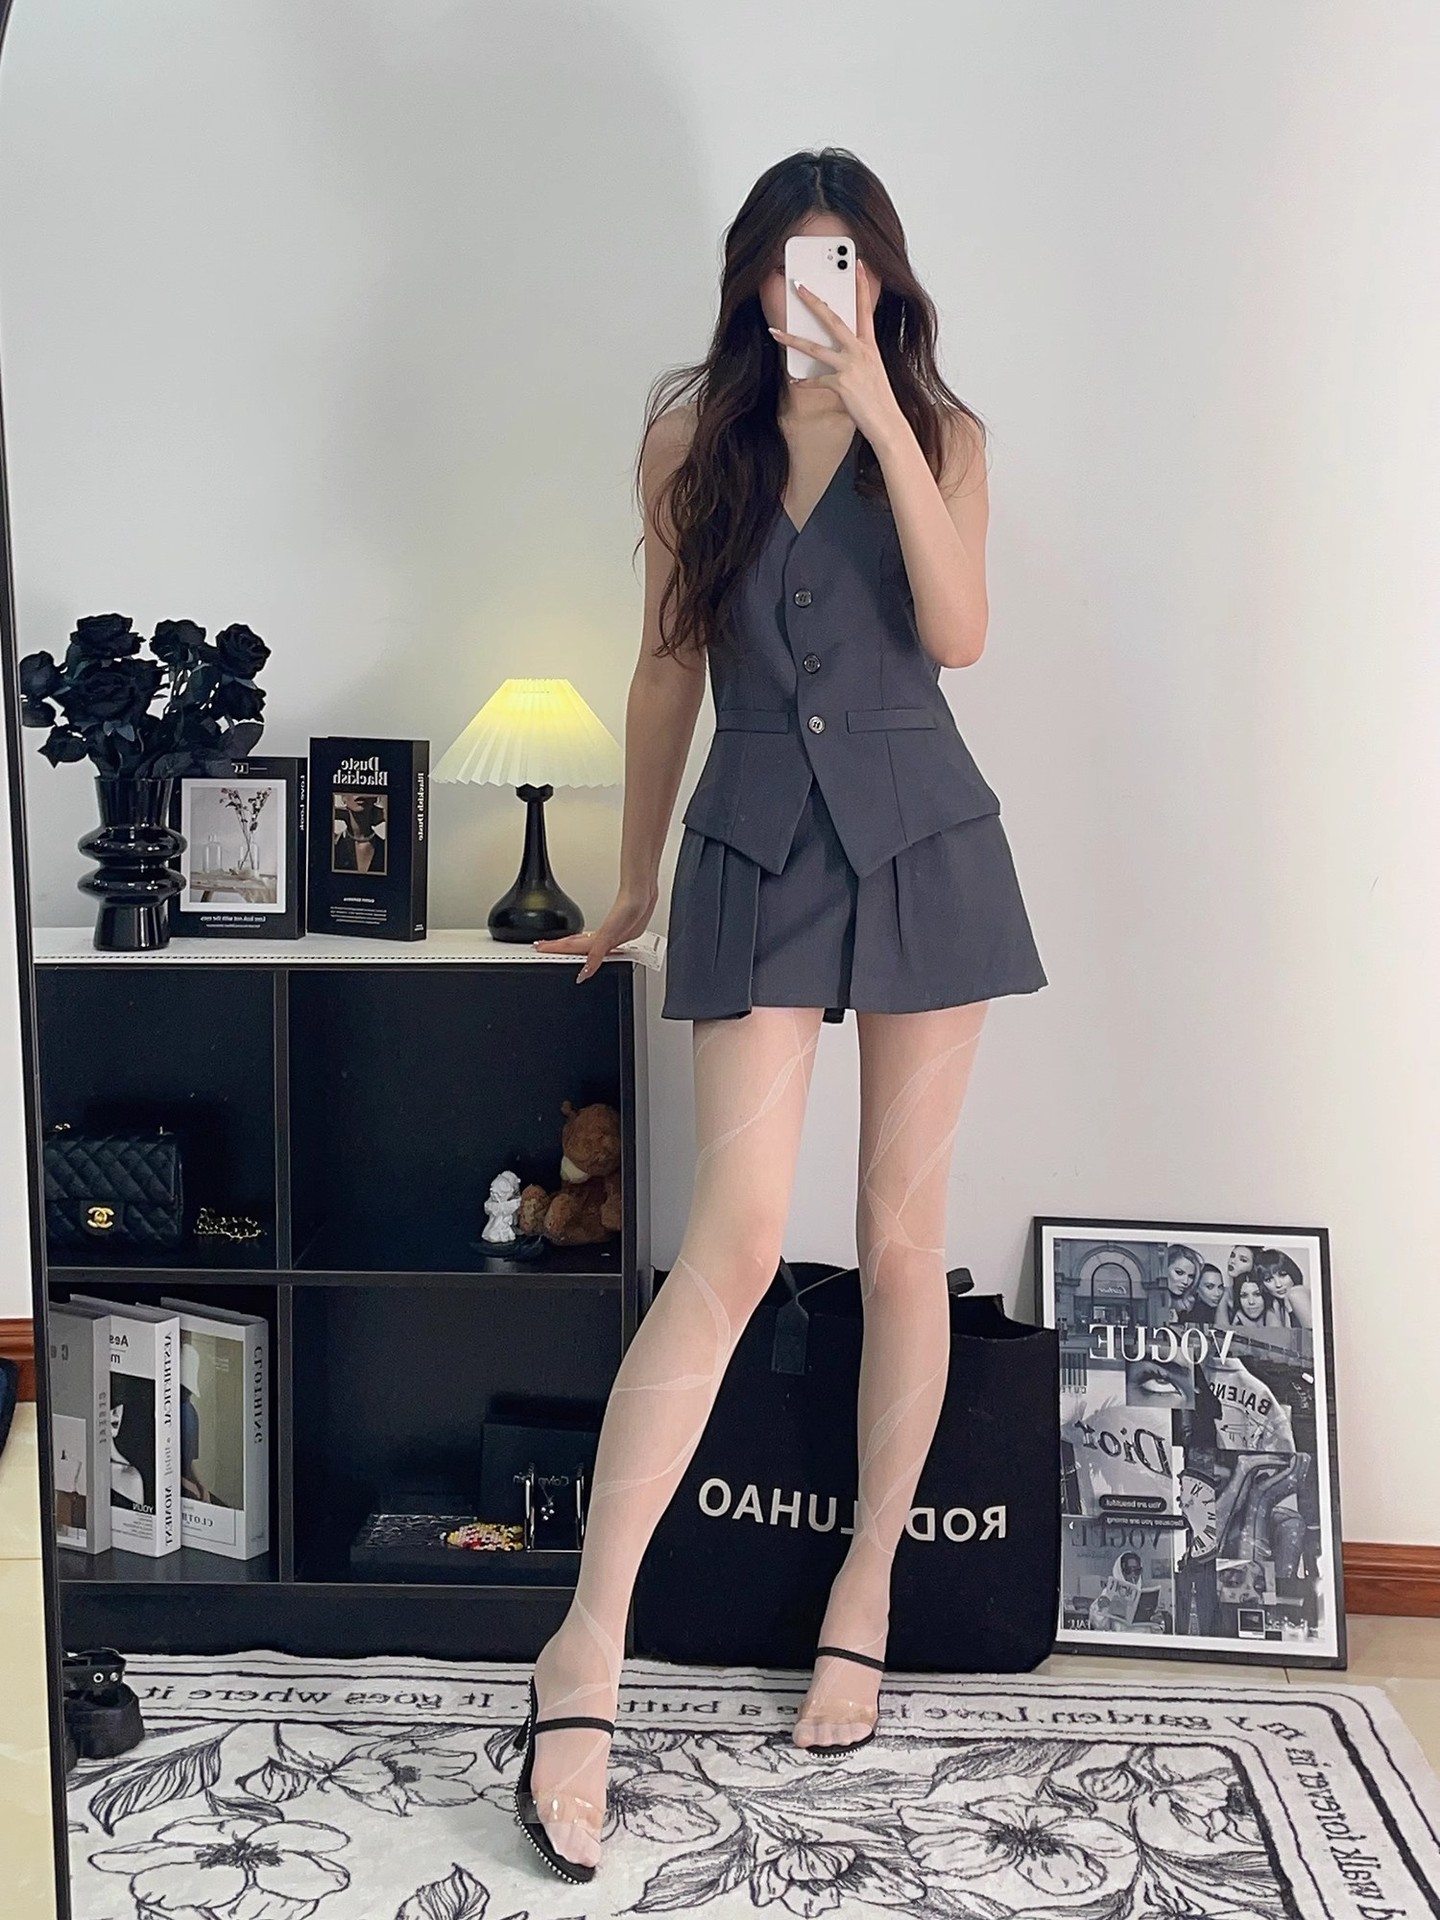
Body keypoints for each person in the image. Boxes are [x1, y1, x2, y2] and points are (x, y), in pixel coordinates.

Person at [517, 147, 1047, 1885]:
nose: (818, 289)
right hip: (750, 841)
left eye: (848, 261)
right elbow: (669, 659)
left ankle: (866, 1586)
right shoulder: (693, 439)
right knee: (733, 1249)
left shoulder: (944, 437)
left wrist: (881, 407)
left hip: (924, 843)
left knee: (902, 1243)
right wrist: (633, 879)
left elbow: (959, 637)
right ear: (752, 279)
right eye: (791, 263)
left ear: (883, 276)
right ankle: (586, 1643)